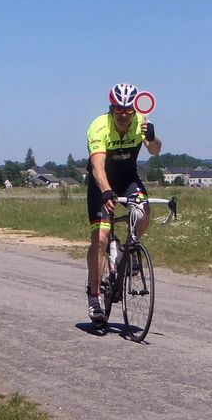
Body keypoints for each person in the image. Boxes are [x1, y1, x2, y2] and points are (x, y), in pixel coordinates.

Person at [85, 83, 162, 322]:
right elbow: (98, 165)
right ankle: (95, 295)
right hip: (102, 182)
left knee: (143, 212)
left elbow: (155, 151)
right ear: (111, 109)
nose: (124, 114)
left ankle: (123, 257)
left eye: (128, 109)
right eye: (119, 109)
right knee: (101, 238)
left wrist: (152, 137)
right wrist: (107, 191)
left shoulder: (141, 122)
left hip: (128, 177)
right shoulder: (99, 126)